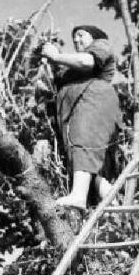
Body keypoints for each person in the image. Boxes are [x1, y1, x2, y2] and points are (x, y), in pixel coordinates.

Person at [41, 25, 122, 209]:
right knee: (81, 156)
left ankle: (78, 195)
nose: (76, 40)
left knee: (84, 143)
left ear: (94, 36)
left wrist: (56, 56)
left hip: (92, 102)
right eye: (74, 38)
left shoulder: (101, 45)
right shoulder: (70, 71)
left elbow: (87, 62)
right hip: (75, 110)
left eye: (81, 35)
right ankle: (109, 195)